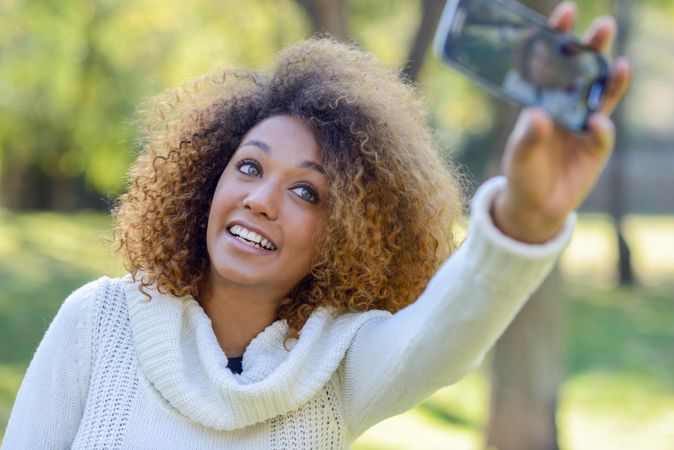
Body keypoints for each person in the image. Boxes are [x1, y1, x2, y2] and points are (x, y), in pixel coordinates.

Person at [3, 2, 629, 449]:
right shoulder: (99, 321)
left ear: (348, 235)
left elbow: (447, 330)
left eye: (307, 191)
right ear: (207, 182)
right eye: (249, 167)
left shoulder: (340, 367)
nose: (262, 200)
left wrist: (525, 217)